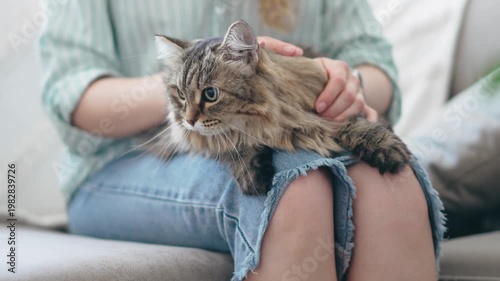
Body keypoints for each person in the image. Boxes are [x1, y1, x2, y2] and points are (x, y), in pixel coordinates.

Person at [39, 0, 444, 280]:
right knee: (295, 189)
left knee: (393, 184)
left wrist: (345, 84)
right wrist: (198, 80)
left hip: (290, 127)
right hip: (125, 160)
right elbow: (70, 94)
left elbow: (378, 72)